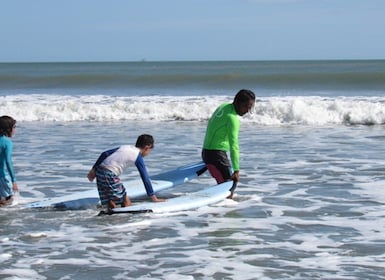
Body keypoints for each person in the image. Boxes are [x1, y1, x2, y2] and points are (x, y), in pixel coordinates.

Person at [202, 89, 256, 199]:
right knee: (230, 185)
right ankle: (224, 212)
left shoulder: (224, 106)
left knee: (225, 186)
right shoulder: (232, 119)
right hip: (216, 156)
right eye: (246, 106)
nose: (248, 110)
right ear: (237, 102)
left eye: (250, 107)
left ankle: (219, 208)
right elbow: (234, 145)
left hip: (207, 152)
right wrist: (236, 170)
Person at [87, 134, 165, 209]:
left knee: (109, 199)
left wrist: (94, 169)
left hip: (100, 171)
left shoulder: (125, 147)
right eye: (150, 150)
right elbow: (145, 177)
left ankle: (111, 216)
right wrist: (153, 197)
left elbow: (105, 154)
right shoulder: (137, 156)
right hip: (109, 173)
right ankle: (128, 217)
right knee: (125, 199)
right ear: (147, 148)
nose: (149, 153)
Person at [0, 115, 19, 206]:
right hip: (2, 177)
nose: (15, 130)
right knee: (10, 200)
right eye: (14, 127)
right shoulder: (7, 143)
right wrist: (13, 180)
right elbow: (8, 162)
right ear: (8, 129)